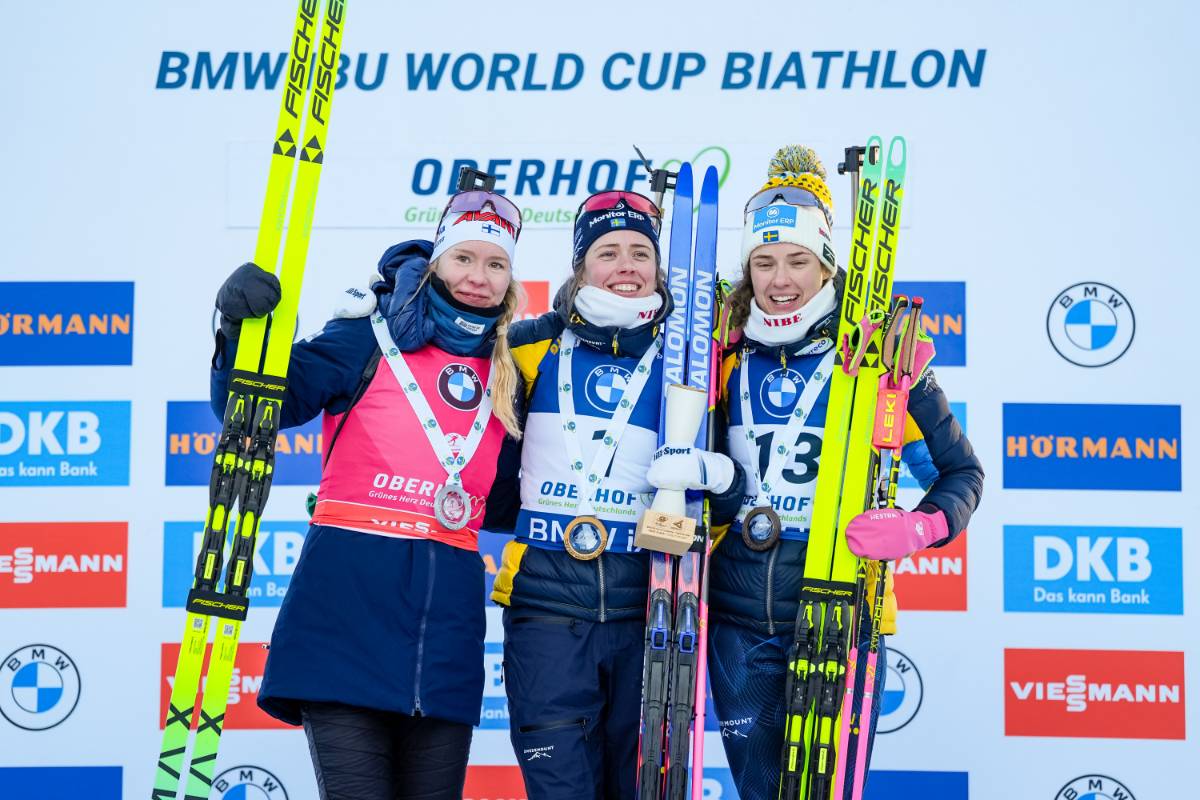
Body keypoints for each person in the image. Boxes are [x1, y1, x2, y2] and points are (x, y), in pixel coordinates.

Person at [208, 187, 525, 800]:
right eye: (464, 259)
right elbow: (253, 406)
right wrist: (238, 328)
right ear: (436, 261)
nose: (477, 278)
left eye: (495, 265)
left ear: (511, 280)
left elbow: (514, 499)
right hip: (344, 616)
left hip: (446, 634)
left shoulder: (511, 368)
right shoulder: (369, 340)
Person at [707, 146, 984, 800]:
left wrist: (919, 528)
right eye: (765, 262)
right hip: (738, 615)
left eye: (798, 261)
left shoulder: (881, 350)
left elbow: (960, 472)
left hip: (840, 607)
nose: (781, 280)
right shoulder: (722, 346)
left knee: (826, 791)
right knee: (758, 787)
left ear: (826, 262)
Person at [486, 190, 746, 799]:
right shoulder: (526, 345)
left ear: (661, 268)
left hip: (652, 613)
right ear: (580, 268)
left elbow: (735, 494)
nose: (626, 265)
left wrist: (716, 475)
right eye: (608, 252)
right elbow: (443, 352)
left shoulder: (697, 364)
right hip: (546, 613)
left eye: (640, 252)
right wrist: (401, 285)